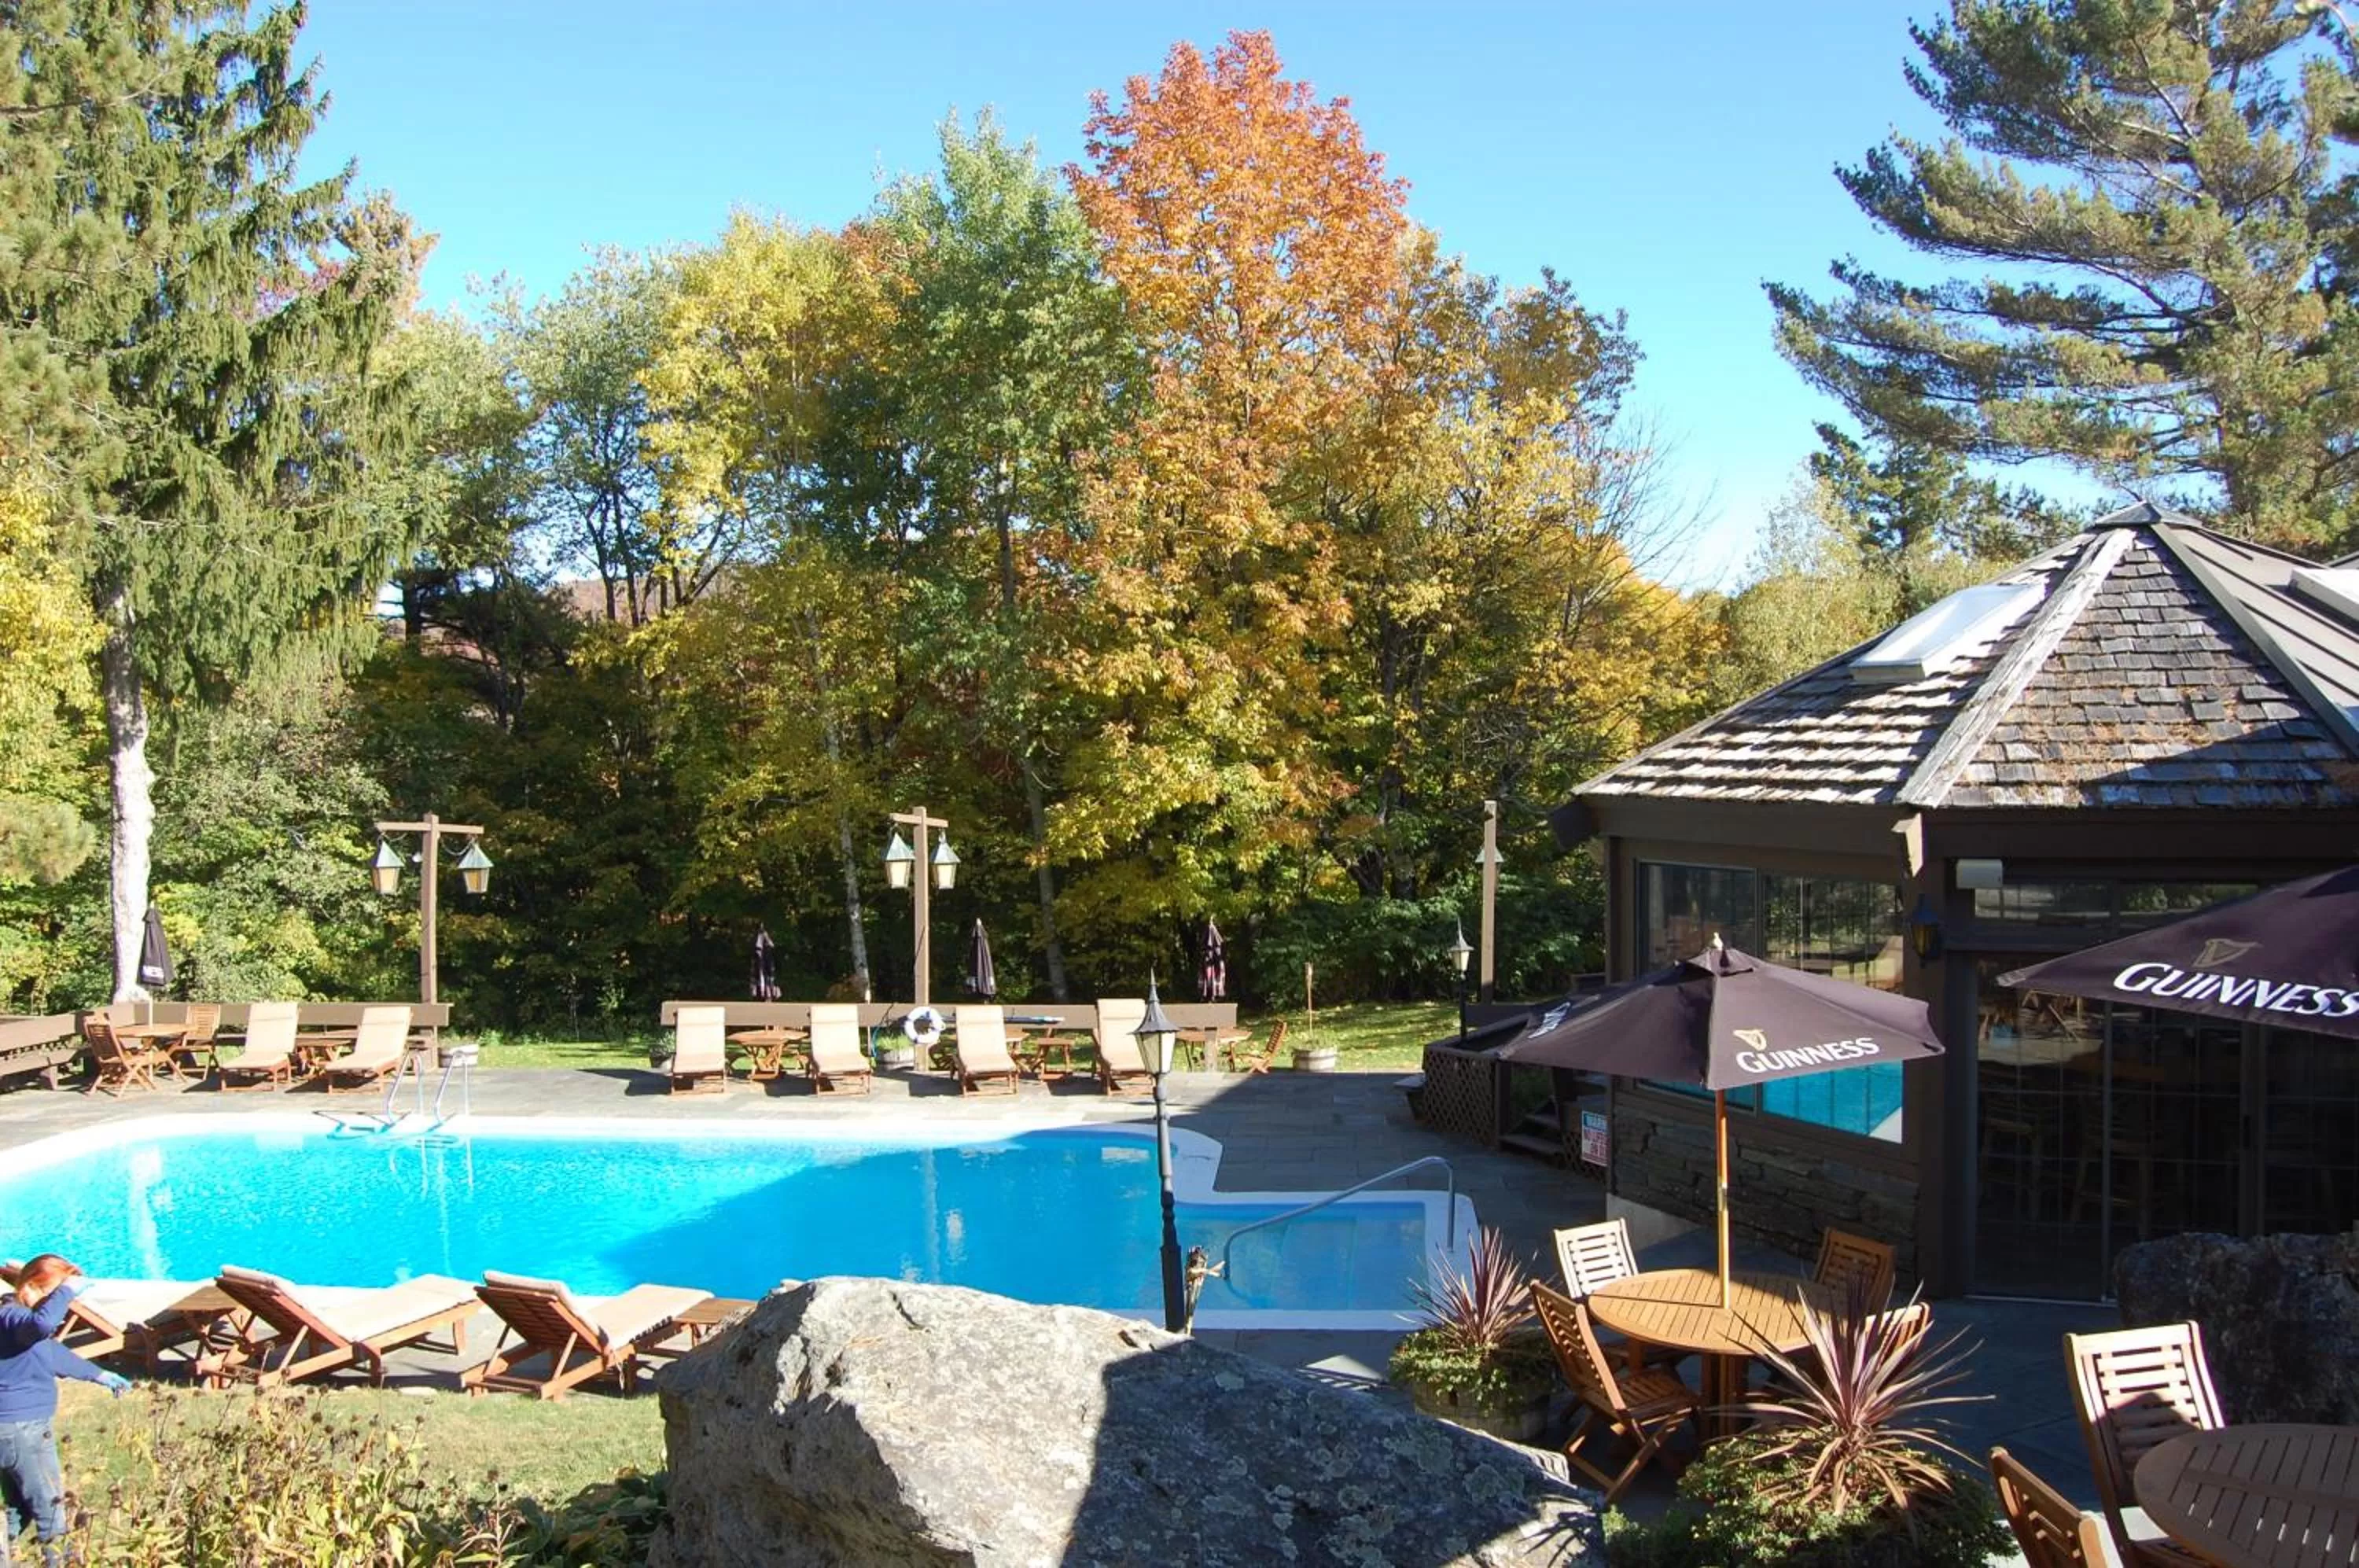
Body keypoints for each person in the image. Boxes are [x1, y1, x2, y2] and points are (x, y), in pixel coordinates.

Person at [0, 1256, 129, 1566]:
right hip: (22, 1430)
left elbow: (50, 1352)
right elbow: (42, 1324)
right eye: (53, 1298)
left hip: (13, 1430)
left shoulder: (14, 1322)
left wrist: (99, 1375)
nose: (57, 1314)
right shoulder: (13, 1316)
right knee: (51, 1510)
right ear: (31, 1287)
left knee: (20, 1508)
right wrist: (67, 1290)